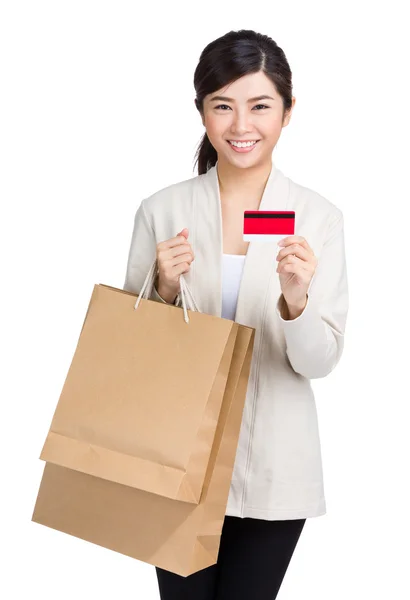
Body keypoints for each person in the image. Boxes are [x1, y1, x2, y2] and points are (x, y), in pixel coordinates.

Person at [123, 28, 349, 600]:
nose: (241, 125)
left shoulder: (314, 217)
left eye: (260, 106)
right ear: (201, 111)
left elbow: (319, 362)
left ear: (288, 111)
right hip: (176, 461)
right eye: (222, 105)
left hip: (272, 464)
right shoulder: (163, 209)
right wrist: (166, 289)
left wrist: (297, 301)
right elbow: (128, 351)